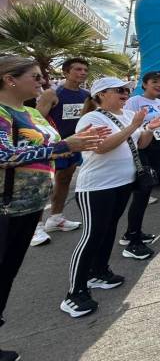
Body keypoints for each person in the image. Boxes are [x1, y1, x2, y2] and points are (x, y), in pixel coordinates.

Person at [0, 57, 106, 358]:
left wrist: (74, 142)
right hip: (5, 208)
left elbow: (58, 141)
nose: (43, 82)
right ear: (10, 79)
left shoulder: (31, 111)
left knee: (7, 275)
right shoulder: (2, 111)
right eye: (35, 77)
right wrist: (64, 147)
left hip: (30, 206)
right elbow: (4, 154)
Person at [61, 77, 160, 318]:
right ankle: (74, 292)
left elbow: (140, 143)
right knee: (92, 235)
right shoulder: (92, 118)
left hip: (122, 183)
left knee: (108, 231)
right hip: (96, 187)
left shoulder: (128, 115)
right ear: (100, 94)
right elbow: (100, 147)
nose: (125, 93)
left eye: (127, 90)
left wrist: (149, 128)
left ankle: (99, 272)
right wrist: (134, 126)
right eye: (119, 90)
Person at [32, 57, 91, 247]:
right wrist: (54, 145)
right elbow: (36, 121)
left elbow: (84, 120)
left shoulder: (86, 95)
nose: (82, 73)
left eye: (85, 70)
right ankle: (35, 227)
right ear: (65, 72)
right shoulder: (52, 93)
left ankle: (56, 218)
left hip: (73, 146)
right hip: (53, 148)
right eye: (78, 69)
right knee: (44, 185)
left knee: (64, 179)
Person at [122, 70, 160, 251]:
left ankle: (133, 231)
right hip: (141, 149)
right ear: (144, 84)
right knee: (141, 192)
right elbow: (128, 126)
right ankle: (132, 239)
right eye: (155, 81)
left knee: (145, 193)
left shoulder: (159, 102)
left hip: (157, 148)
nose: (159, 85)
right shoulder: (135, 101)